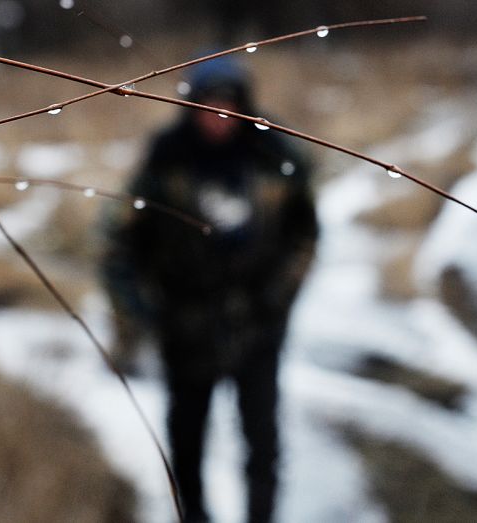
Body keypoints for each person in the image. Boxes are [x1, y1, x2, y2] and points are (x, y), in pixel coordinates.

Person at [101, 54, 318, 523]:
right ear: (191, 107)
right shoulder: (166, 161)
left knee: (262, 443)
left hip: (258, 324)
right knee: (187, 441)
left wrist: (280, 294)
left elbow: (305, 233)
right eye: (207, 105)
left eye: (228, 105)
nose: (218, 117)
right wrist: (141, 310)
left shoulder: (275, 156)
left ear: (243, 106)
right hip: (186, 326)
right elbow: (119, 242)